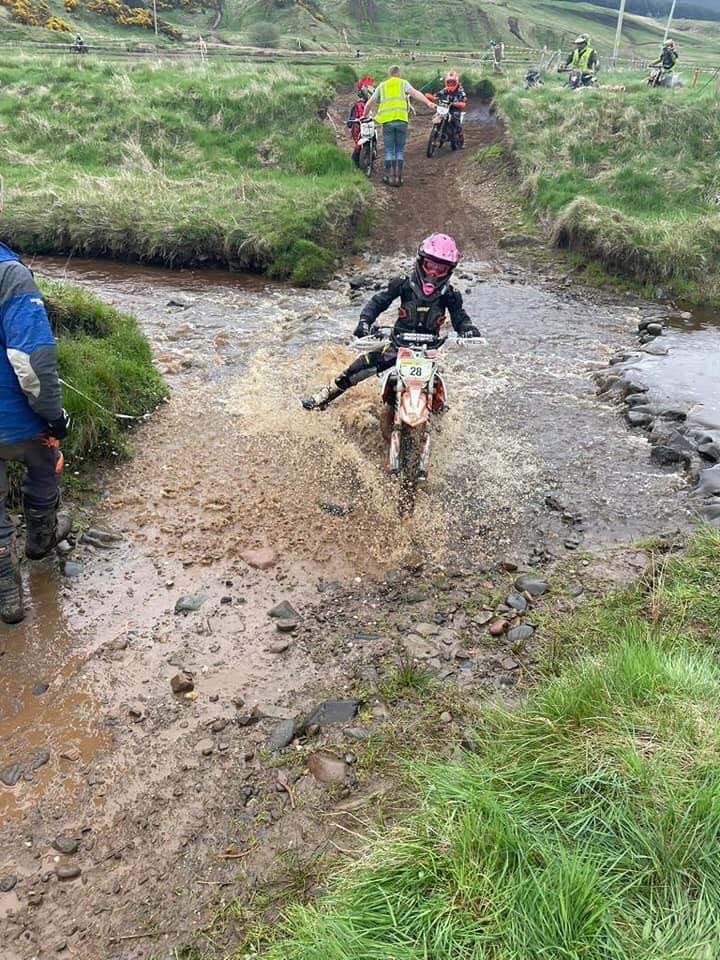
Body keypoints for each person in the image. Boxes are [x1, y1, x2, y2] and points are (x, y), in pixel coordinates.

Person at [301, 234, 480, 412]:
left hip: (428, 351)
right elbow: (379, 301)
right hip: (398, 346)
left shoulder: (451, 295)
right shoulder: (402, 283)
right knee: (359, 367)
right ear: (420, 262)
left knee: (439, 397)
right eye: (430, 266)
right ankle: (324, 396)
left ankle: (439, 425)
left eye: (439, 269)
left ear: (449, 271)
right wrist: (365, 321)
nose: (433, 273)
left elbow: (459, 317)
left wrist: (468, 329)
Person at [0, 237, 71, 624]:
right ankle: (40, 540)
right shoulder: (10, 274)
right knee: (45, 456)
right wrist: (54, 418)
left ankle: (7, 592)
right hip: (15, 423)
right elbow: (33, 361)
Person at [362, 65, 435, 187]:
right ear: (398, 73)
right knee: (399, 150)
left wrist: (364, 115)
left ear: (389, 74)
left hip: (387, 122)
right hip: (402, 120)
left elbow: (370, 102)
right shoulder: (403, 83)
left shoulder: (382, 85)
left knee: (389, 150)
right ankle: (399, 178)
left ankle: (389, 177)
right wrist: (428, 102)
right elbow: (416, 94)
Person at [427, 70, 467, 148]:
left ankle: (461, 140)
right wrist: (431, 97)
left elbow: (464, 101)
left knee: (456, 121)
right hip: (444, 107)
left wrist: (458, 103)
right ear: (446, 82)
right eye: (449, 82)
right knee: (437, 117)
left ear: (457, 82)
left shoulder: (460, 91)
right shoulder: (445, 90)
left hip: (455, 109)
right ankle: (435, 135)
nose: (451, 84)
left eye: (453, 82)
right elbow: (436, 96)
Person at [346, 75, 375, 166]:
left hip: (364, 125)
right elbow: (352, 118)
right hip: (358, 127)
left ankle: (358, 161)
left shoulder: (365, 103)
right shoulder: (359, 104)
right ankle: (354, 163)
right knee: (358, 147)